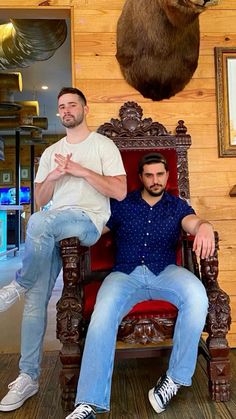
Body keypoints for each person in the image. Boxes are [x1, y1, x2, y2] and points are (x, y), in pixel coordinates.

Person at [0, 87, 127, 412]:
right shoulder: (52, 151)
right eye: (62, 107)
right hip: (54, 229)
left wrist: (80, 171)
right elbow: (40, 200)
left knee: (40, 222)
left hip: (87, 223)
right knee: (35, 300)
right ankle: (28, 377)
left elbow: (121, 191)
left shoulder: (103, 145)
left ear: (85, 107)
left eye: (73, 104)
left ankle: (18, 283)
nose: (67, 110)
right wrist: (56, 174)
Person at [66, 152, 215, 419]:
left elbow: (192, 223)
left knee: (197, 295)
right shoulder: (122, 205)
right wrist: (72, 227)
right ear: (140, 177)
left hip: (165, 272)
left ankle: (175, 378)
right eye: (149, 175)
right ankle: (89, 402)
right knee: (102, 314)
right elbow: (95, 230)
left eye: (160, 174)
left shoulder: (177, 206)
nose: (155, 180)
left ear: (168, 176)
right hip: (125, 274)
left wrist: (204, 226)